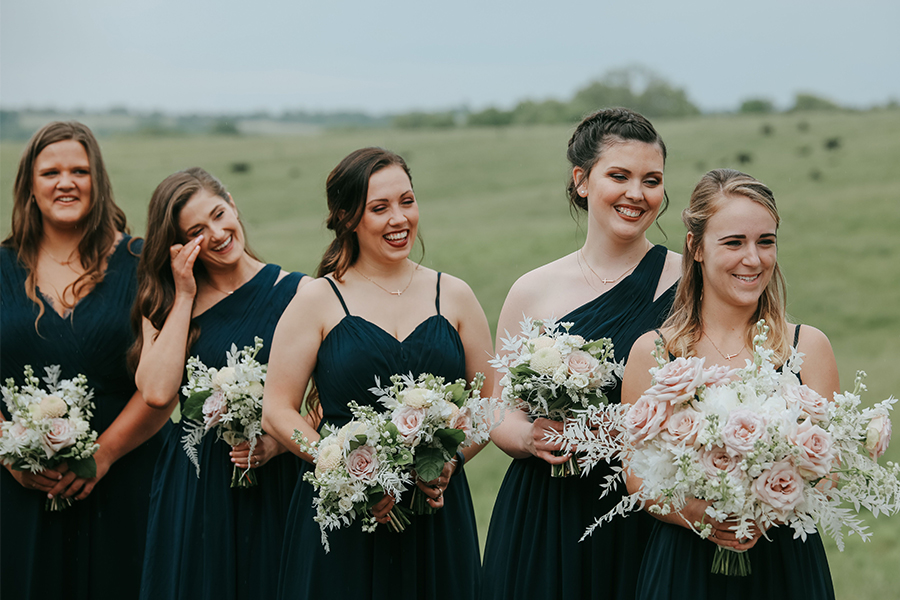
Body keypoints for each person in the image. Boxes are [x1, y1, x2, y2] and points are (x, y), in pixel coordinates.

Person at [261, 147, 493, 599]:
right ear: (348, 218)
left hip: (435, 511)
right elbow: (278, 409)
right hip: (345, 513)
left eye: (407, 201)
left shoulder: (455, 294)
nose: (399, 219)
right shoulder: (318, 299)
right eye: (379, 208)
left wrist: (450, 459)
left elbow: (491, 402)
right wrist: (346, 469)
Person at [481, 108, 682, 600]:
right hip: (546, 513)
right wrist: (530, 437)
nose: (637, 193)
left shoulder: (692, 284)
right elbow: (494, 409)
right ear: (582, 181)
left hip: (650, 510)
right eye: (620, 176)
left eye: (651, 180)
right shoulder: (533, 290)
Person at [623, 168, 838, 599]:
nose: (753, 259)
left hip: (785, 567)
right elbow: (636, 477)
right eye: (734, 242)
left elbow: (827, 472)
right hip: (684, 567)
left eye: (766, 241)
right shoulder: (654, 352)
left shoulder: (808, 346)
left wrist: (764, 509)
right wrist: (699, 514)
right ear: (696, 248)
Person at [0, 121, 172, 599]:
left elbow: (164, 380)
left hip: (127, 479)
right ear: (30, 187)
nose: (66, 182)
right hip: (17, 489)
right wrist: (8, 452)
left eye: (80, 170)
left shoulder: (142, 264)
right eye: (51, 171)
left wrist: (104, 454)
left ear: (98, 182)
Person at [131, 167, 307, 600]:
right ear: (179, 244)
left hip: (275, 480)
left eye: (218, 213)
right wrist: (186, 294)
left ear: (231, 201)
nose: (216, 233)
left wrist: (279, 442)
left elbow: (327, 398)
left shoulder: (301, 292)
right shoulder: (166, 302)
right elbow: (155, 392)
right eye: (196, 230)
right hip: (195, 484)